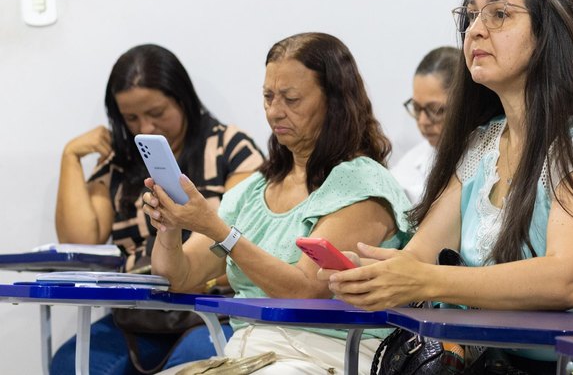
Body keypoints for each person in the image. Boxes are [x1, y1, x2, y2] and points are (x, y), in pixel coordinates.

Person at [328, 0, 573, 373]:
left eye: (499, 14)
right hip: (488, 362)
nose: (475, 30)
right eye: (470, 16)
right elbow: (419, 259)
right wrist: (360, 274)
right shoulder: (482, 144)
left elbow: (572, 278)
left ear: (548, 33)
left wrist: (427, 280)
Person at [145, 33, 412, 374]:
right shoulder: (253, 190)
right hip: (247, 355)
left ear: (334, 102)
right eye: (268, 97)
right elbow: (178, 277)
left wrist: (219, 231)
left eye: (291, 99)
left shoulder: (362, 183)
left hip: (323, 356)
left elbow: (305, 291)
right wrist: (169, 224)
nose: (274, 112)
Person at [53, 44, 263, 375]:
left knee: (191, 366)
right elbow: (79, 242)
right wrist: (70, 157)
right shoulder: (120, 162)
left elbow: (246, 236)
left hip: (212, 307)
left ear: (183, 99)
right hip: (137, 315)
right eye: (131, 118)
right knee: (69, 363)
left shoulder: (231, 148)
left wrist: (198, 276)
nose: (146, 128)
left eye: (157, 112)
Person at [392, 46, 462, 204]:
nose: (423, 121)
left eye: (436, 110)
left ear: (463, 104)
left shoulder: (489, 161)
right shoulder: (408, 165)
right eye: (417, 108)